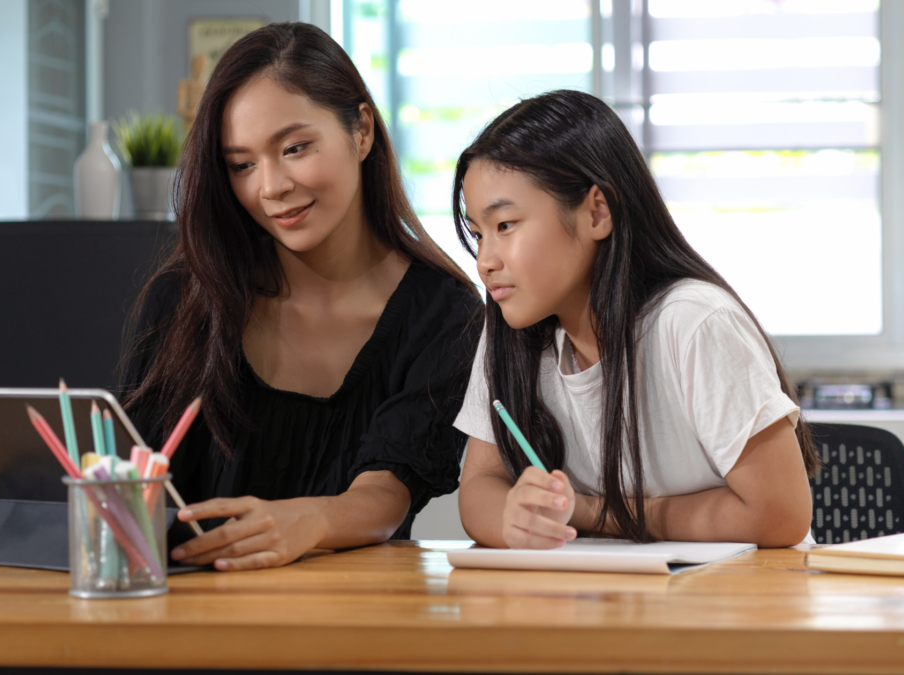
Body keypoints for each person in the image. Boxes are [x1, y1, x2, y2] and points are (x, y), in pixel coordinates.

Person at [120, 22, 482, 571]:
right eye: (241, 164)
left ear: (361, 131)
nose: (270, 187)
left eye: (294, 148)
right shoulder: (185, 299)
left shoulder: (445, 313)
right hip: (183, 623)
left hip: (351, 629)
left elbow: (387, 490)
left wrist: (313, 520)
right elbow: (131, 473)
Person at [452, 90, 818, 550]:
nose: (484, 260)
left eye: (505, 225)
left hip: (740, 604)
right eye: (477, 233)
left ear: (596, 212)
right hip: (607, 605)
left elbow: (779, 515)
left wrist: (591, 512)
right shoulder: (511, 325)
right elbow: (478, 489)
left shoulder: (694, 323)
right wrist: (513, 516)